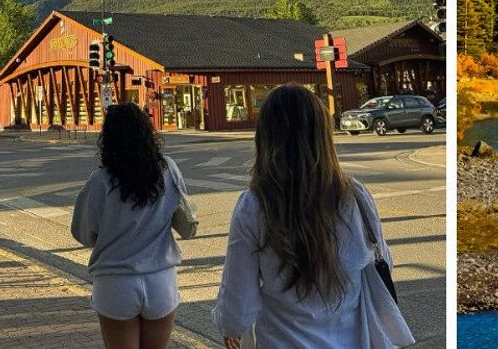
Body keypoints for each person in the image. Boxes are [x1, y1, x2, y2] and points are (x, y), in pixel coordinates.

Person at [213, 84, 415, 348]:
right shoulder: (355, 195)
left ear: (265, 138)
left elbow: (238, 307)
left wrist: (228, 327)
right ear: (323, 136)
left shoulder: (254, 205)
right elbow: (382, 261)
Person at [72, 102, 189, 349]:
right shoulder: (168, 169)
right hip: (160, 279)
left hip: (115, 282)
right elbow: (180, 209)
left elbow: (83, 233)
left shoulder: (100, 181)